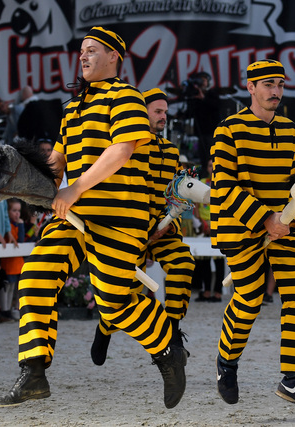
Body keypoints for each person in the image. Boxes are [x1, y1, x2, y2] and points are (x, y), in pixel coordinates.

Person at [0, 27, 187, 409]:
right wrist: (26, 181)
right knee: (34, 276)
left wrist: (74, 189)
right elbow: (58, 162)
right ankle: (33, 372)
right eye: (81, 51)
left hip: (119, 216)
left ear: (115, 56)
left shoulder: (127, 96)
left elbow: (122, 149)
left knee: (114, 304)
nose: (82, 57)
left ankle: (168, 350)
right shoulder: (72, 106)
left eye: (92, 50)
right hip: (75, 216)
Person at [211, 59, 295, 410]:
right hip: (240, 226)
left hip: (285, 228)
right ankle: (226, 364)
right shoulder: (227, 130)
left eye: (280, 84)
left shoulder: (292, 131)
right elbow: (224, 187)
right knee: (249, 298)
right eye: (268, 84)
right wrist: (264, 219)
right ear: (251, 88)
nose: (276, 91)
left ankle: (293, 380)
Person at [90, 88, 195, 364]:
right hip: (129, 229)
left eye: (165, 112)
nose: (163, 117)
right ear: (141, 112)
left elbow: (176, 194)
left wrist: (167, 223)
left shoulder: (172, 151)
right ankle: (105, 327)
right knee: (123, 291)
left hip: (164, 230)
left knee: (184, 263)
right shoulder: (126, 147)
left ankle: (172, 335)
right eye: (157, 111)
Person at [192, 159, 225, 302]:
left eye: (215, 165)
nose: (213, 168)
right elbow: (196, 204)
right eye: (210, 165)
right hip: (204, 225)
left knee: (219, 259)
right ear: (207, 168)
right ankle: (205, 291)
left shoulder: (223, 183)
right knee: (203, 260)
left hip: (219, 224)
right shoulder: (202, 182)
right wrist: (200, 222)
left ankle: (217, 292)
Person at [185, 71, 221, 174]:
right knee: (202, 157)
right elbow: (190, 112)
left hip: (212, 131)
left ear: (208, 82)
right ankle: (205, 175)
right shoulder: (195, 94)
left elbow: (216, 106)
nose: (202, 82)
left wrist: (203, 98)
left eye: (204, 80)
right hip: (201, 132)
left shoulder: (212, 93)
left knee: (211, 155)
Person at [0, 198, 25, 320]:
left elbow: (22, 239)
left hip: (18, 264)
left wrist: (21, 224)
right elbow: (17, 240)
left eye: (18, 211)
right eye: (14, 210)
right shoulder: (7, 226)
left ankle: (12, 309)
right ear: (8, 211)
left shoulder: (18, 224)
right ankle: (5, 310)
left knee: (14, 288)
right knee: (6, 287)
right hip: (8, 264)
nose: (17, 213)